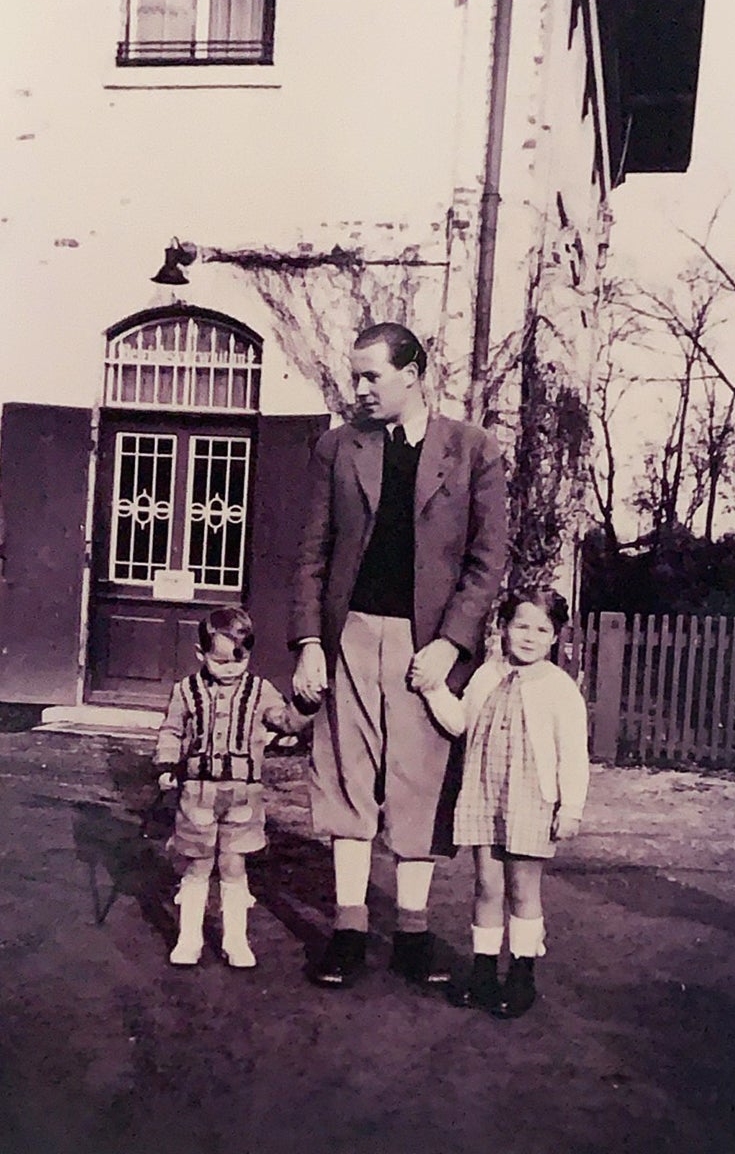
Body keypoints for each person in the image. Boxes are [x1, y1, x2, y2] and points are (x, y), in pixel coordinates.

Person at [290, 322, 507, 989]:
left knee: (418, 785)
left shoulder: (473, 451)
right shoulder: (337, 448)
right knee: (348, 780)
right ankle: (349, 931)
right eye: (355, 376)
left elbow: (486, 560)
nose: (359, 389)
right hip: (350, 634)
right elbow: (312, 555)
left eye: (371, 376)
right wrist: (306, 645)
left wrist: (450, 644)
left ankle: (412, 935)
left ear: (413, 374)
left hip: (429, 648)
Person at [421, 588, 589, 1018]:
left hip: (531, 798)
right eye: (521, 626)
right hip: (484, 792)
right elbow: (461, 722)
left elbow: (573, 753)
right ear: (502, 628)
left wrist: (570, 807)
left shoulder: (559, 688)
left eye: (541, 629)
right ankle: (482, 973)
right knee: (487, 886)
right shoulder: (485, 675)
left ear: (555, 637)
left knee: (522, 889)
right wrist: (433, 689)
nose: (529, 637)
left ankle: (521, 975)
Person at [154, 607, 316, 968]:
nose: (229, 669)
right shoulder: (186, 691)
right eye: (220, 661)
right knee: (196, 865)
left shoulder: (261, 691)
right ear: (200, 654)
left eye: (238, 661)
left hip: (243, 796)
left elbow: (286, 722)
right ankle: (189, 938)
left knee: (233, 864)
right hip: (197, 793)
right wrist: (166, 764)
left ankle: (235, 940)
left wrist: (307, 704)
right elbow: (171, 731)